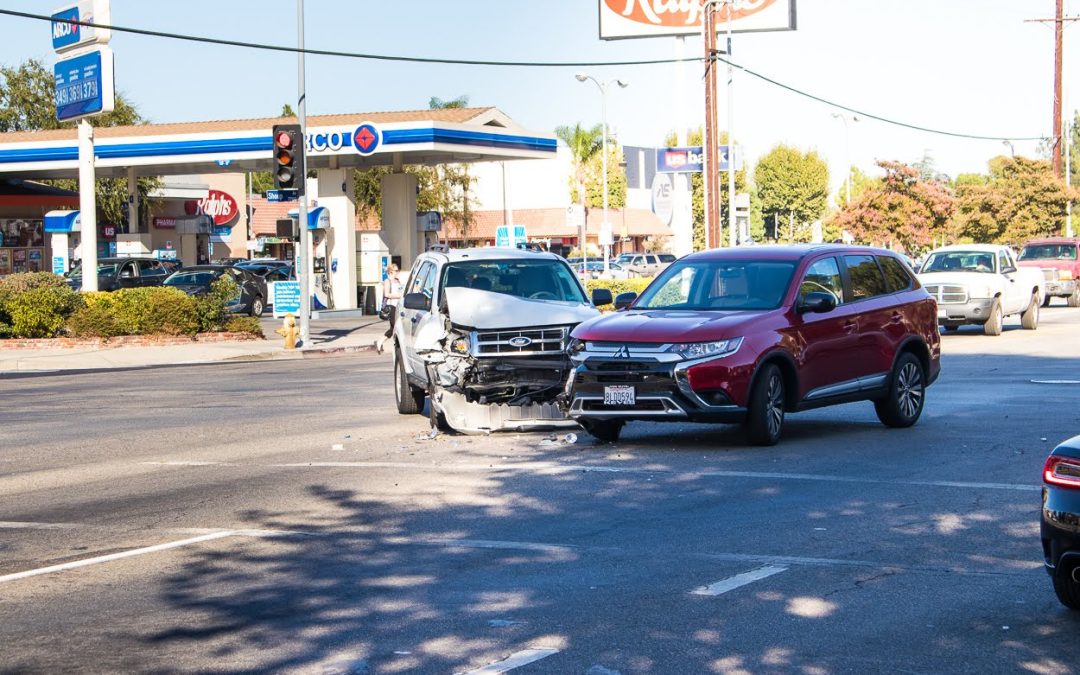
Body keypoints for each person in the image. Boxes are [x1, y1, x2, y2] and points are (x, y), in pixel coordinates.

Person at [375, 262, 403, 354]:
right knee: (396, 327)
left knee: (393, 328)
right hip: (391, 307)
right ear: (390, 271)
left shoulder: (398, 281)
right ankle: (397, 345)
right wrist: (398, 296)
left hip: (398, 306)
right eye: (395, 270)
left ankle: (380, 342)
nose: (397, 272)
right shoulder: (388, 281)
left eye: (398, 270)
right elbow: (387, 294)